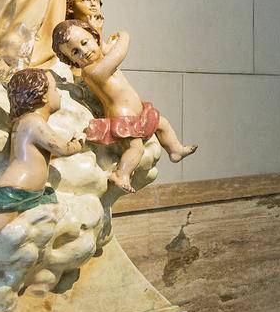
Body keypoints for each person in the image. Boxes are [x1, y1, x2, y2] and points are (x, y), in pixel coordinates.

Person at [0, 69, 84, 266]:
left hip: (28, 192)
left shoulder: (25, 121)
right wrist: (78, 144)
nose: (59, 94)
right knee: (0, 220)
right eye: (55, 89)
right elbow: (60, 147)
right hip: (16, 189)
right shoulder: (33, 122)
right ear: (43, 96)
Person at [53, 20, 197, 191]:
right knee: (136, 149)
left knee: (162, 123)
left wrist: (107, 44)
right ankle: (121, 174)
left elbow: (105, 51)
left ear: (93, 37)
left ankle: (175, 150)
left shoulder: (99, 57)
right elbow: (118, 54)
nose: (85, 52)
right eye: (75, 52)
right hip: (123, 119)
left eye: (85, 42)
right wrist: (124, 37)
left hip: (138, 111)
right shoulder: (93, 71)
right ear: (72, 61)